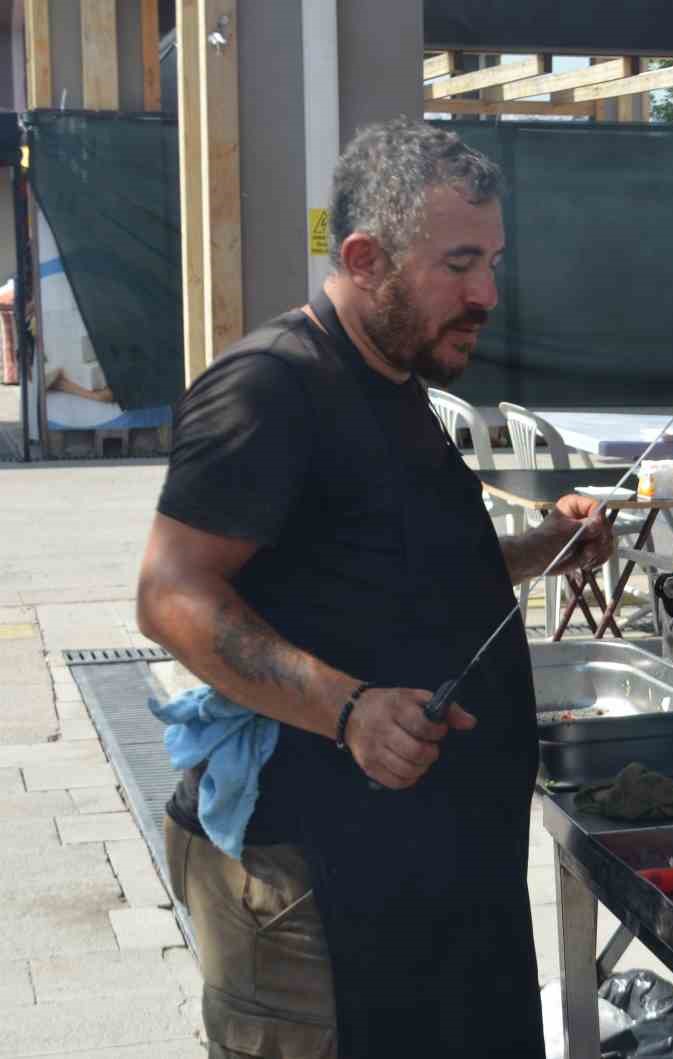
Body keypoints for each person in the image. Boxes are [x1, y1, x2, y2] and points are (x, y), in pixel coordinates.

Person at [136, 119, 613, 1057]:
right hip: (312, 887)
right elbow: (169, 594)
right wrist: (349, 708)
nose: (487, 294)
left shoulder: (395, 376)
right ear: (363, 257)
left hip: (427, 879)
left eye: (494, 261)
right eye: (459, 264)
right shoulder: (271, 387)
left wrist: (542, 549)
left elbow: (393, 564)